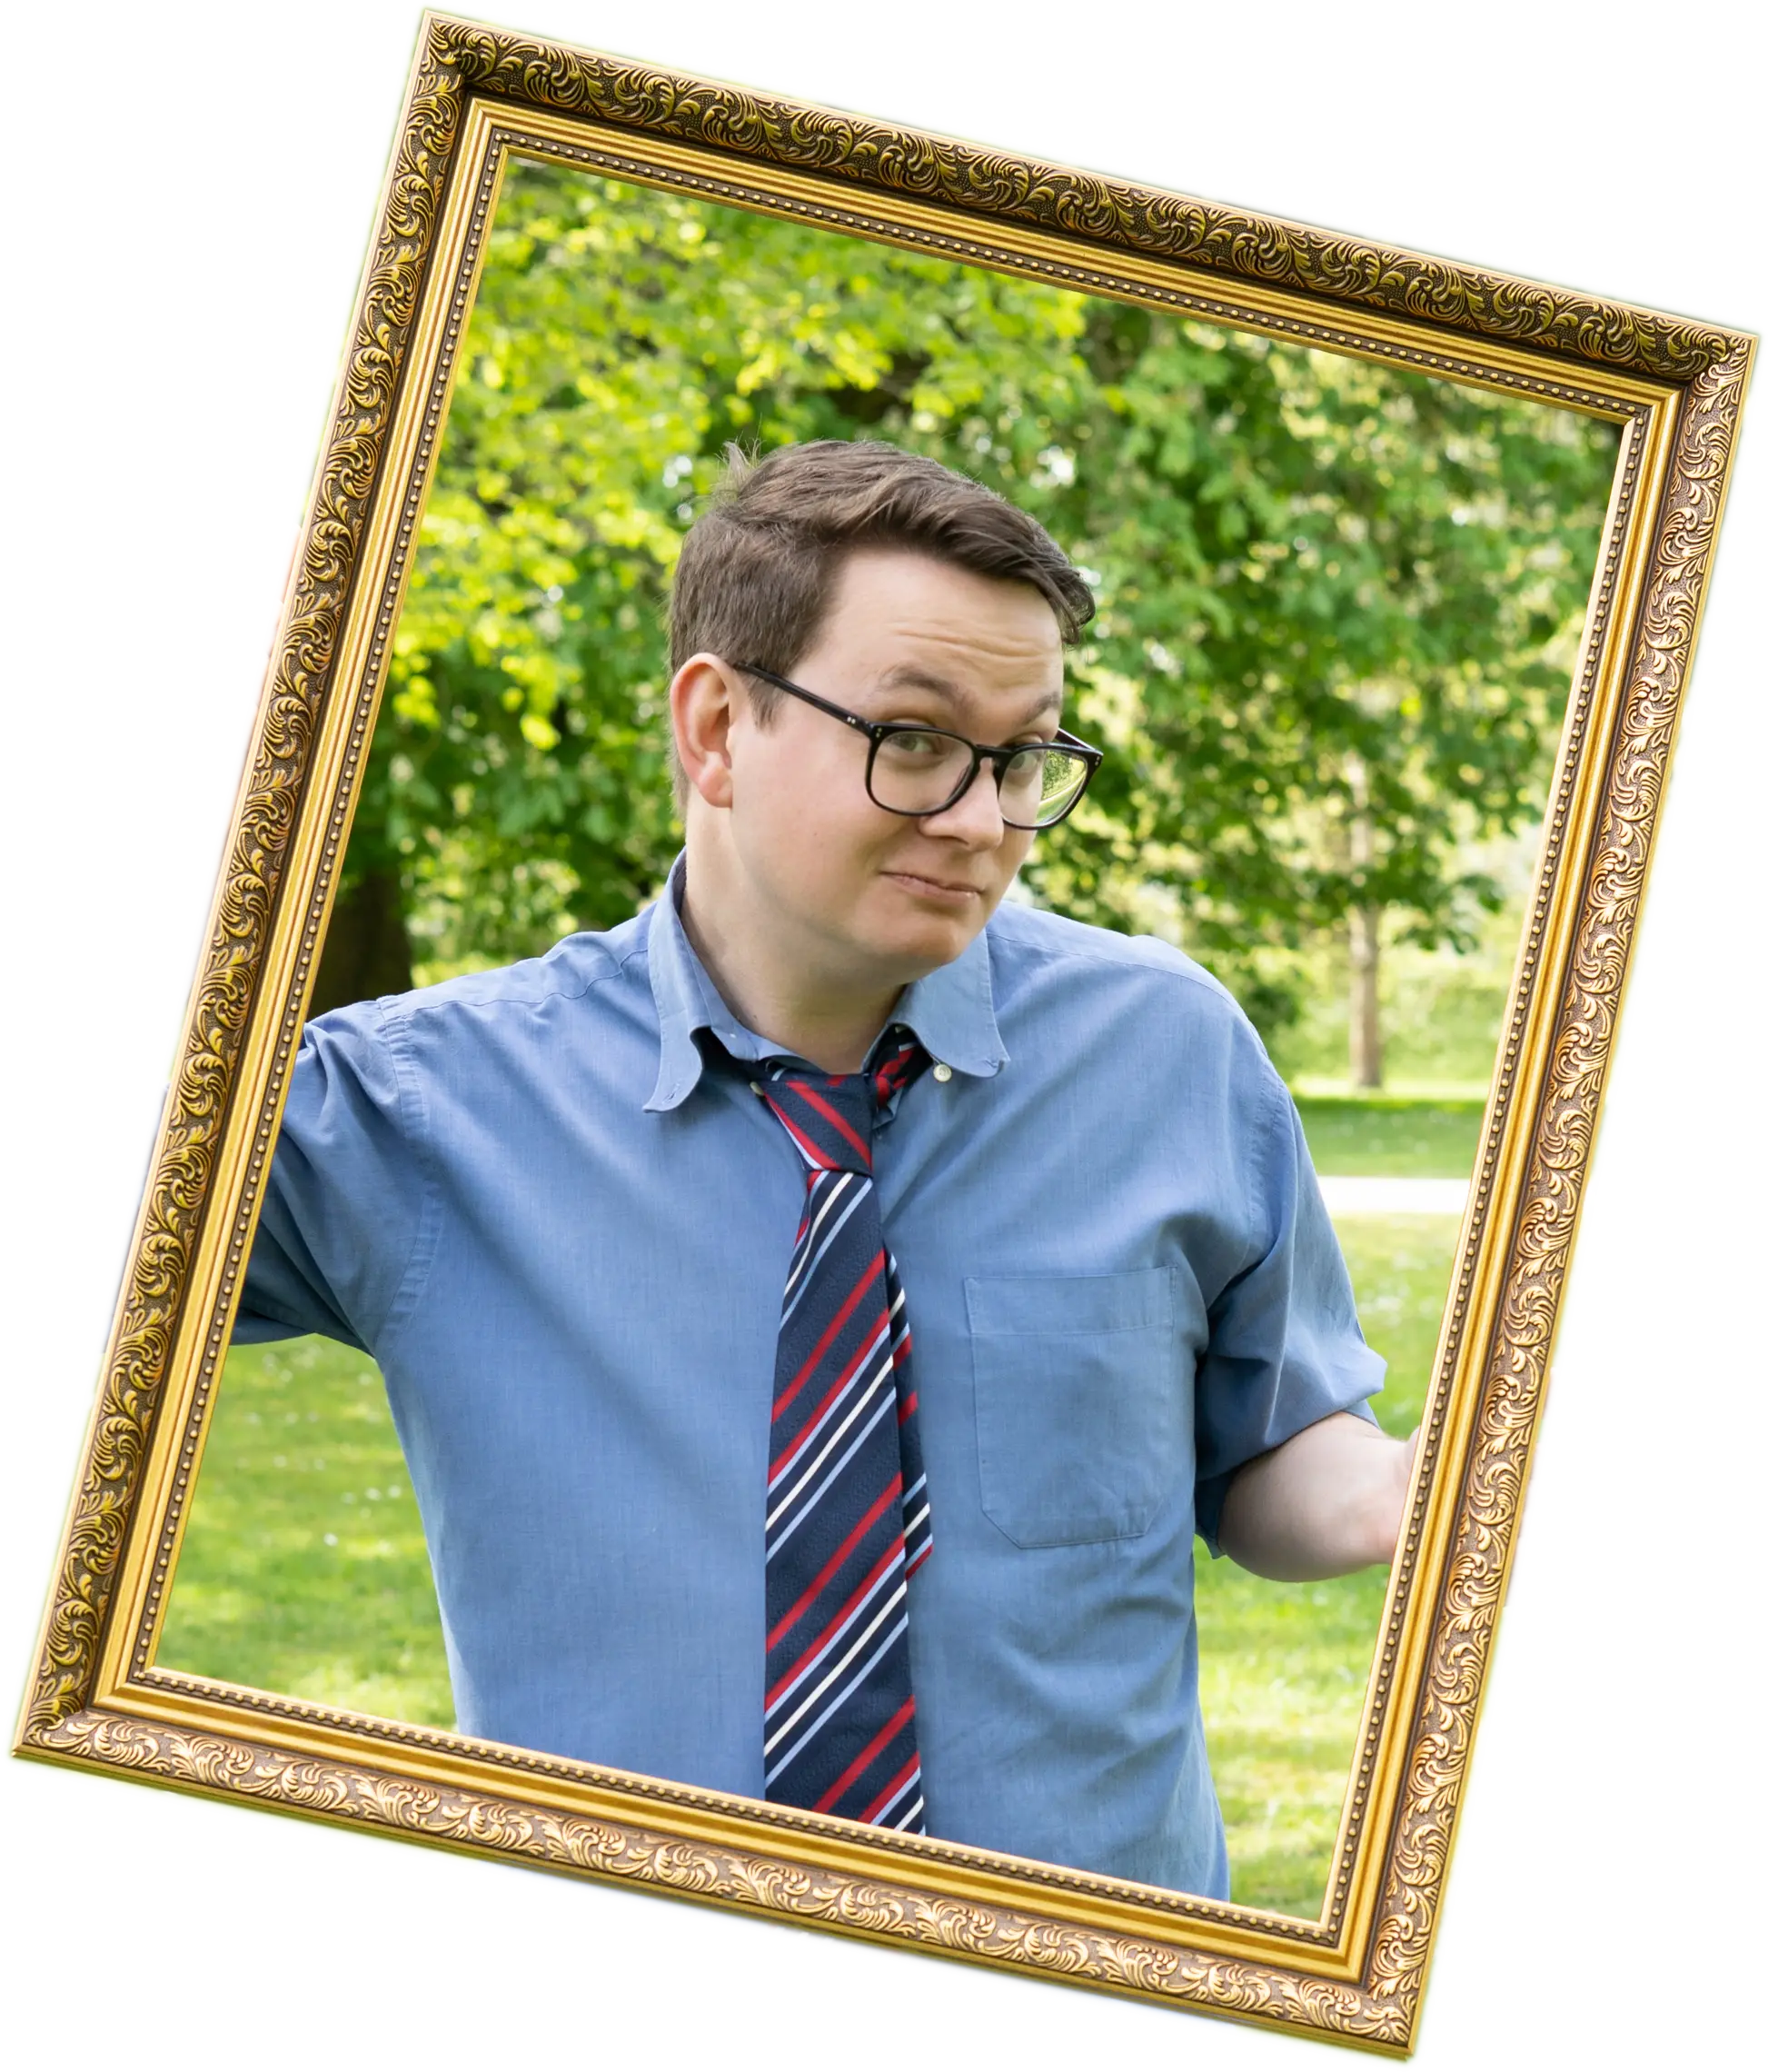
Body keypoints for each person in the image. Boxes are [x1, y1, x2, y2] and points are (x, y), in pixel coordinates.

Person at [120, 440, 1412, 1970]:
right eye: (918, 741)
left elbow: (1279, 1457)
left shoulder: (1168, 1052)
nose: (981, 820)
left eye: (1022, 760)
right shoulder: (412, 1111)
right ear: (717, 725)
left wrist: (1460, 1492)